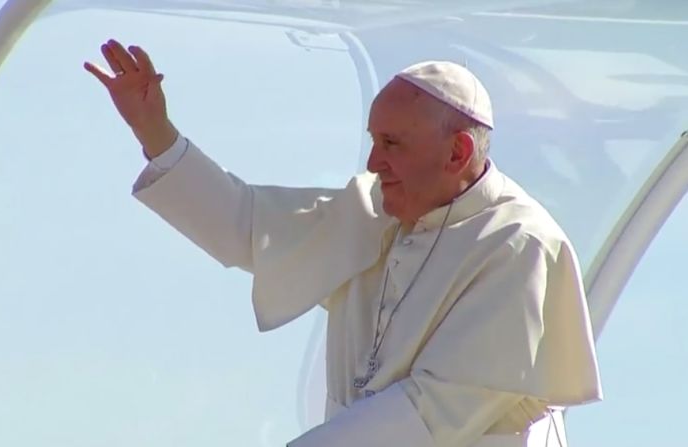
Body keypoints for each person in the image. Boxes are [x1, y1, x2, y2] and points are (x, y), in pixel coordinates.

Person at [84, 39, 602, 447]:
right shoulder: (369, 209)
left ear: (457, 151)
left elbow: (433, 409)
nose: (374, 163)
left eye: (392, 144)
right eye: (373, 141)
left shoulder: (520, 246)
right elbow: (246, 225)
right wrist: (153, 129)